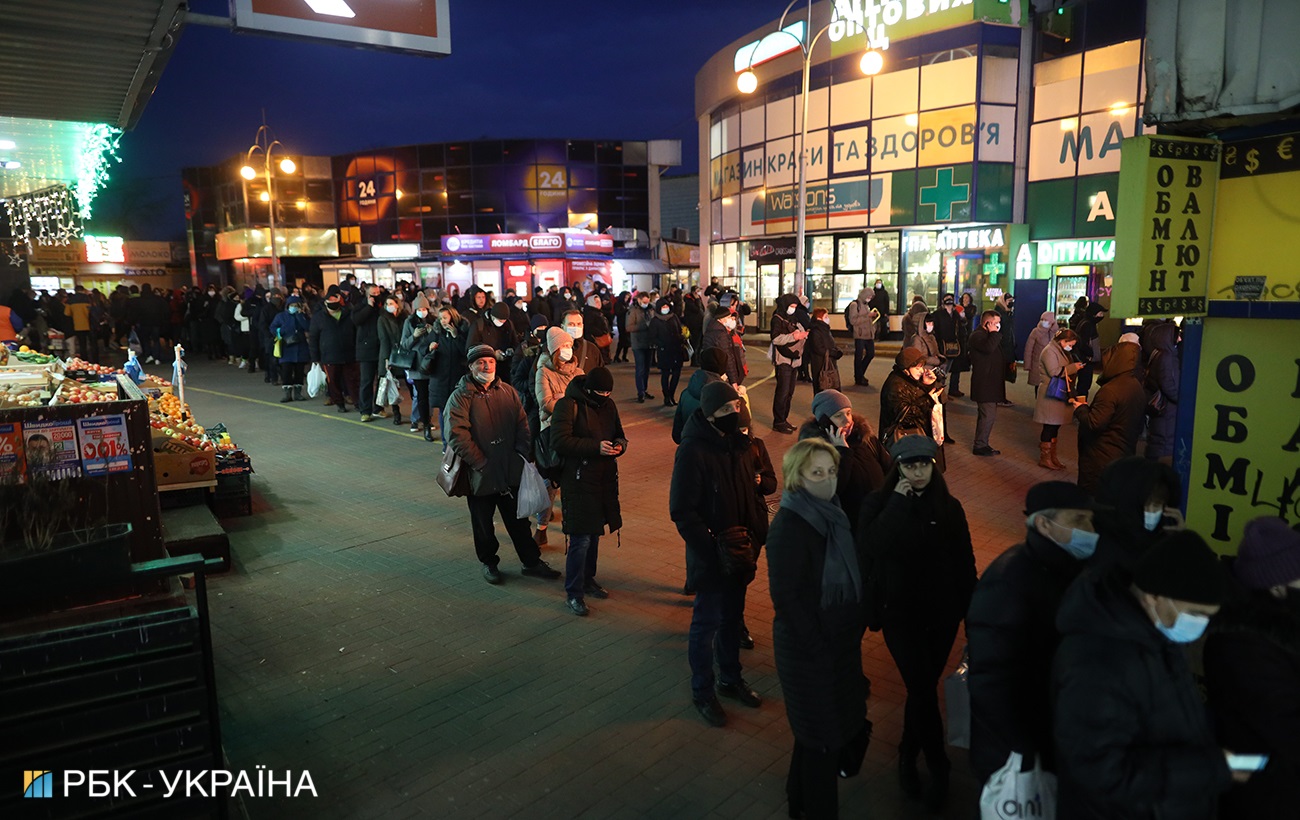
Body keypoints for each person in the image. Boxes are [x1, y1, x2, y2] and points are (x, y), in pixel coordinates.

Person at [1052, 531, 1236, 820]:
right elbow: (1102, 772)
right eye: (1196, 613)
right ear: (1154, 597)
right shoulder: (1098, 663)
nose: (1201, 624)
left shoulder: (1152, 634)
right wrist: (1210, 768)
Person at [857, 434, 975, 811]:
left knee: (921, 689)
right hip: (900, 614)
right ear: (898, 468)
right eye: (909, 465)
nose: (918, 471)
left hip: (942, 616)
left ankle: (908, 753)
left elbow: (964, 563)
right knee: (921, 688)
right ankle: (937, 764)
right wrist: (897, 503)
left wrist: (971, 616)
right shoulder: (879, 503)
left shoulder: (950, 507)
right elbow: (872, 546)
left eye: (924, 464)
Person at [966, 481, 1103, 787]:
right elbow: (991, 684)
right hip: (1018, 757)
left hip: (1050, 735)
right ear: (1043, 523)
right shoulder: (1008, 583)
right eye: (1079, 521)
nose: (1090, 530)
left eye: (1091, 521)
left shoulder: (1067, 568)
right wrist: (1027, 754)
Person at [767, 438, 872, 820]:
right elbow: (789, 602)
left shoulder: (832, 513)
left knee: (813, 741)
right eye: (817, 473)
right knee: (822, 744)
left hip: (836, 650)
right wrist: (822, 651)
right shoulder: (790, 526)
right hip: (808, 654)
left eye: (831, 472)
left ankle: (798, 804)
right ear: (798, 477)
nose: (828, 481)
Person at [670, 381, 767, 727]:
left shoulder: (741, 444)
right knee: (706, 625)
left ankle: (730, 678)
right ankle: (703, 690)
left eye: (737, 408)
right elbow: (682, 510)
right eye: (726, 411)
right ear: (710, 415)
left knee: (731, 620)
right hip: (712, 556)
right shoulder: (693, 450)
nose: (734, 415)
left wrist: (755, 535)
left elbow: (752, 495)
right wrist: (711, 549)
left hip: (740, 552)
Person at [1204, 517, 1300, 819]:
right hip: (1266, 793)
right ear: (1277, 586)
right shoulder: (1242, 644)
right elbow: (1287, 726)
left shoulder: (1282, 622)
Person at [445, 345, 562, 585]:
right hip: (481, 474)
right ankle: (489, 562)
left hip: (509, 470)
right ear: (471, 367)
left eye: (490, 361)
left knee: (518, 521)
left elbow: (522, 424)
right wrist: (480, 462)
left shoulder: (507, 391)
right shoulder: (461, 396)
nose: (486, 366)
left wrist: (519, 453)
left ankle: (531, 562)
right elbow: (457, 435)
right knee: (483, 524)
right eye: (480, 363)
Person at [550, 366, 626, 616]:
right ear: (588, 389)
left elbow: (619, 435)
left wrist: (618, 446)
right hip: (578, 479)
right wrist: (596, 447)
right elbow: (560, 441)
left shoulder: (609, 405)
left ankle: (588, 579)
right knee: (581, 537)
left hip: (603, 480)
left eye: (608, 392)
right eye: (600, 392)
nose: (604, 396)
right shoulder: (567, 405)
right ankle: (574, 592)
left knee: (594, 533)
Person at [798, 389, 891, 528]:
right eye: (838, 415)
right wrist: (843, 451)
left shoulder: (866, 439)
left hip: (877, 522)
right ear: (824, 422)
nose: (847, 420)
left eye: (848, 413)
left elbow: (890, 470)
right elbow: (831, 490)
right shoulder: (815, 451)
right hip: (848, 528)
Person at [1069, 340, 1146, 494]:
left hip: (1101, 456)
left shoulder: (1111, 390)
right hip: (1123, 449)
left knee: (1095, 496)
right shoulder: (1135, 385)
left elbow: (1094, 423)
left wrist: (1081, 408)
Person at [1091, 456, 1184, 572]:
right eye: (1144, 505)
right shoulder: (1100, 552)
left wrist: (1179, 542)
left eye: (1157, 505)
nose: (1151, 511)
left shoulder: (1159, 539)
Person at [535, 326, 582, 546]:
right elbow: (545, 405)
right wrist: (569, 403)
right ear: (554, 349)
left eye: (570, 346)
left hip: (575, 432)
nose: (568, 350)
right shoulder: (543, 372)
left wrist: (561, 400)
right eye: (563, 346)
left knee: (574, 482)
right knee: (550, 484)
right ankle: (541, 527)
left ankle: (572, 525)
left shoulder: (578, 372)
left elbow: (585, 403)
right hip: (552, 433)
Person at [878, 347, 945, 470]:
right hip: (903, 438)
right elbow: (905, 416)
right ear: (906, 369)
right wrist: (928, 399)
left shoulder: (910, 379)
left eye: (922, 366)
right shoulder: (895, 385)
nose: (921, 370)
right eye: (917, 367)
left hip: (916, 437)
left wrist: (927, 384)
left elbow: (918, 399)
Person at [1032, 329, 1085, 471]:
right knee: (1049, 426)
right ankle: (1045, 457)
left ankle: (1052, 456)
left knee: (1055, 425)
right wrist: (1074, 367)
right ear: (1063, 341)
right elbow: (1055, 371)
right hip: (1051, 393)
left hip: (1057, 393)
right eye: (1070, 344)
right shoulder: (1049, 351)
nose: (1071, 347)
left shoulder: (1060, 350)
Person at [426, 305, 470, 443]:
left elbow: (466, 352)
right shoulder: (436, 332)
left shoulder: (463, 330)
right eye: (440, 318)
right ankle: (446, 444)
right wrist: (430, 348)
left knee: (458, 412)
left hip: (457, 377)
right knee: (443, 411)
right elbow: (426, 352)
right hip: (440, 379)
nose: (443, 321)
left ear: (453, 316)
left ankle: (458, 441)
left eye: (445, 317)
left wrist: (456, 336)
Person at [968, 310, 1006, 457]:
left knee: (987, 415)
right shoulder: (977, 336)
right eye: (995, 323)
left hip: (990, 382)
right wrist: (993, 333)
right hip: (984, 383)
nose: (998, 326)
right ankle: (980, 445)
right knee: (987, 416)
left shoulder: (988, 335)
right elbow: (988, 348)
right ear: (987, 323)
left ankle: (982, 443)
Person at [769, 293, 809, 434]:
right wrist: (794, 336)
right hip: (783, 360)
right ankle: (778, 421)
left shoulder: (794, 318)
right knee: (782, 392)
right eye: (791, 306)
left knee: (790, 393)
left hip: (795, 360)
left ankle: (784, 419)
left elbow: (801, 330)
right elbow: (776, 339)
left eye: (795, 306)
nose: (793, 309)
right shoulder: (777, 319)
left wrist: (803, 334)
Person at [673, 348, 729, 445]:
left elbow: (677, 433)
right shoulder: (721, 397)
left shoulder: (686, 393)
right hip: (712, 452)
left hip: (689, 448)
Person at [1143, 322, 1180, 464]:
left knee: (1158, 436)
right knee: (1164, 439)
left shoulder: (1157, 354)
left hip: (1160, 406)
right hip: (1167, 408)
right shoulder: (1168, 357)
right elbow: (1170, 385)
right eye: (1177, 336)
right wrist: (1182, 399)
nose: (1180, 339)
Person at [401, 294, 437, 436]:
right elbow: (404, 345)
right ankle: (425, 424)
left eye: (425, 308)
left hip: (432, 363)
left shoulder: (434, 321)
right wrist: (414, 336)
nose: (422, 311)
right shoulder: (409, 322)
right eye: (419, 308)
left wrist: (432, 332)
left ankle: (428, 419)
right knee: (421, 395)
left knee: (431, 395)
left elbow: (438, 339)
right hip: (417, 365)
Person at [350, 285, 383, 422]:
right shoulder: (360, 306)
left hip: (381, 348)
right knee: (367, 381)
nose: (376, 295)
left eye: (377, 292)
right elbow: (356, 320)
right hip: (366, 350)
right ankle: (365, 410)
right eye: (373, 293)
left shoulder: (381, 306)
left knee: (382, 382)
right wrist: (369, 307)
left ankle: (378, 407)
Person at [269, 296, 310, 402]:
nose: (294, 308)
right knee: (286, 371)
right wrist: (281, 331)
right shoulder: (281, 316)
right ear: (287, 306)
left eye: (296, 306)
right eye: (292, 305)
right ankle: (287, 393)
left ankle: (298, 393)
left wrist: (300, 316)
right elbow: (273, 328)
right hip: (286, 348)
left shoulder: (303, 316)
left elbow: (308, 327)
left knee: (299, 372)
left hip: (300, 348)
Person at [376, 294, 407, 425]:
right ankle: (396, 413)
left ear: (397, 304)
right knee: (392, 385)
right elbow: (384, 340)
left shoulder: (405, 317)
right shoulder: (383, 319)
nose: (389, 306)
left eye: (392, 303)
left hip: (405, 354)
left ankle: (419, 415)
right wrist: (386, 359)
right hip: (391, 355)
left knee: (411, 384)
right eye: (387, 304)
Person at [649, 297, 685, 406]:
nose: (665, 308)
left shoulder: (674, 317)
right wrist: (662, 344)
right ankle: (666, 396)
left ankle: (672, 395)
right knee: (665, 374)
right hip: (664, 350)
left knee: (676, 373)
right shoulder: (655, 321)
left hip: (676, 349)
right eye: (663, 307)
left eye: (667, 306)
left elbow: (679, 329)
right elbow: (652, 337)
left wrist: (681, 337)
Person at [702, 305, 746, 387]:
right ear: (722, 319)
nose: (731, 319)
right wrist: (734, 381)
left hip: (710, 372)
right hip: (721, 374)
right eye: (729, 317)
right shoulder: (721, 334)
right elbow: (728, 357)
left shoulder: (711, 328)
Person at [625, 291, 656, 402]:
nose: (645, 304)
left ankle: (645, 389)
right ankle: (640, 392)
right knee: (640, 368)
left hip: (649, 343)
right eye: (644, 302)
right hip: (638, 344)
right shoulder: (632, 310)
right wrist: (644, 325)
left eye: (647, 302)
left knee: (647, 369)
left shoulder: (651, 309)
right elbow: (629, 327)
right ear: (638, 300)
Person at [933, 294, 966, 397]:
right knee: (943, 370)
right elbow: (935, 330)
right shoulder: (938, 314)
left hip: (955, 345)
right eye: (947, 300)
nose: (949, 302)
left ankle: (952, 390)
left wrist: (963, 318)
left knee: (955, 368)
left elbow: (963, 327)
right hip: (943, 345)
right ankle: (939, 392)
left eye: (951, 300)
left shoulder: (956, 314)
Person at [845, 288, 879, 387]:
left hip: (869, 334)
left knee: (870, 354)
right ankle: (859, 377)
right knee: (858, 356)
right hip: (859, 335)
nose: (869, 299)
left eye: (871, 297)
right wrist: (868, 316)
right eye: (868, 296)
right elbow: (853, 321)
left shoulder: (866, 305)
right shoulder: (855, 305)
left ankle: (860, 374)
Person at [806, 308, 842, 395]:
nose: (828, 319)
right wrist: (833, 353)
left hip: (829, 361)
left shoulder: (825, 329)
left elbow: (830, 343)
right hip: (820, 363)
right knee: (822, 386)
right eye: (825, 316)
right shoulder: (815, 331)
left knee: (832, 386)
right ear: (819, 318)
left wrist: (837, 351)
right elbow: (818, 348)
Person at [1073, 301, 1107, 397]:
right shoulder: (1088, 325)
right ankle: (1080, 407)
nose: (1101, 316)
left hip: (1086, 359)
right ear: (1093, 314)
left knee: (1083, 385)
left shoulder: (1086, 323)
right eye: (1100, 313)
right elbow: (1082, 343)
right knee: (1083, 386)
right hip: (1086, 360)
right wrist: (1091, 354)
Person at [1023, 310, 1057, 398]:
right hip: (1037, 363)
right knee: (1039, 386)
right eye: (1042, 319)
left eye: (1046, 320)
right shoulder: (1036, 332)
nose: (1043, 322)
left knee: (1051, 387)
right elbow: (1028, 349)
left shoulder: (1056, 333)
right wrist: (1027, 364)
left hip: (1052, 365)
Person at [558, 309, 604, 375]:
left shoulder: (592, 349)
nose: (575, 327)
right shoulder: (554, 348)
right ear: (562, 327)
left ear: (582, 326)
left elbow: (600, 374)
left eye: (578, 324)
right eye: (571, 324)